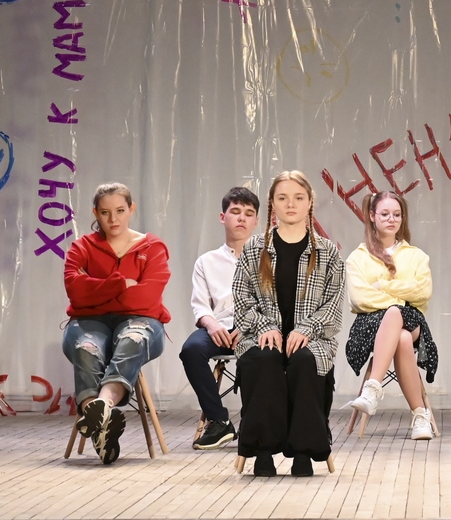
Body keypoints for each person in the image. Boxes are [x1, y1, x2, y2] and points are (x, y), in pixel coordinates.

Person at [232, 170, 346, 476]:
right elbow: (241, 301)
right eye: (282, 198)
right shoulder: (254, 249)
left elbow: (333, 309)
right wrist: (265, 327)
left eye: (298, 197)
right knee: (264, 359)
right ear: (272, 203)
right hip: (260, 336)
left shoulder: (327, 252)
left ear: (310, 202)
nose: (291, 204)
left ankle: (303, 454)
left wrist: (305, 329)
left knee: (305, 362)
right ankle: (263, 452)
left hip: (313, 339)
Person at [62, 182, 171, 465]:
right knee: (86, 347)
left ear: (131, 209)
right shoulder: (81, 247)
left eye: (120, 211)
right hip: (88, 321)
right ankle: (103, 414)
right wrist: (122, 284)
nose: (113, 219)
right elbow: (75, 292)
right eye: (105, 212)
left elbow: (147, 298)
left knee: (132, 338)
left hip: (141, 321)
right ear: (95, 213)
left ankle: (101, 406)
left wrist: (95, 291)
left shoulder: (153, 247)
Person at [342, 190, 438, 440]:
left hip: (412, 319)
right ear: (372, 216)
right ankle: (420, 415)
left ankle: (372, 389)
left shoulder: (416, 255)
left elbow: (423, 292)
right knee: (401, 336)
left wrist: (384, 286)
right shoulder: (357, 258)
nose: (391, 219)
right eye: (385, 214)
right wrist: (401, 298)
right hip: (370, 324)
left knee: (397, 315)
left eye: (397, 214)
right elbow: (360, 298)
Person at [181, 186, 260, 450]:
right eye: (235, 211)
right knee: (191, 350)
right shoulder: (206, 261)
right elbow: (200, 305)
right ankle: (219, 420)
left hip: (255, 329)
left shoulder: (267, 258)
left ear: (256, 221)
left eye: (248, 213)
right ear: (222, 217)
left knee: (261, 352)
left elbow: (272, 305)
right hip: (219, 328)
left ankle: (254, 423)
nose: (242, 218)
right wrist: (212, 324)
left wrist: (247, 327)